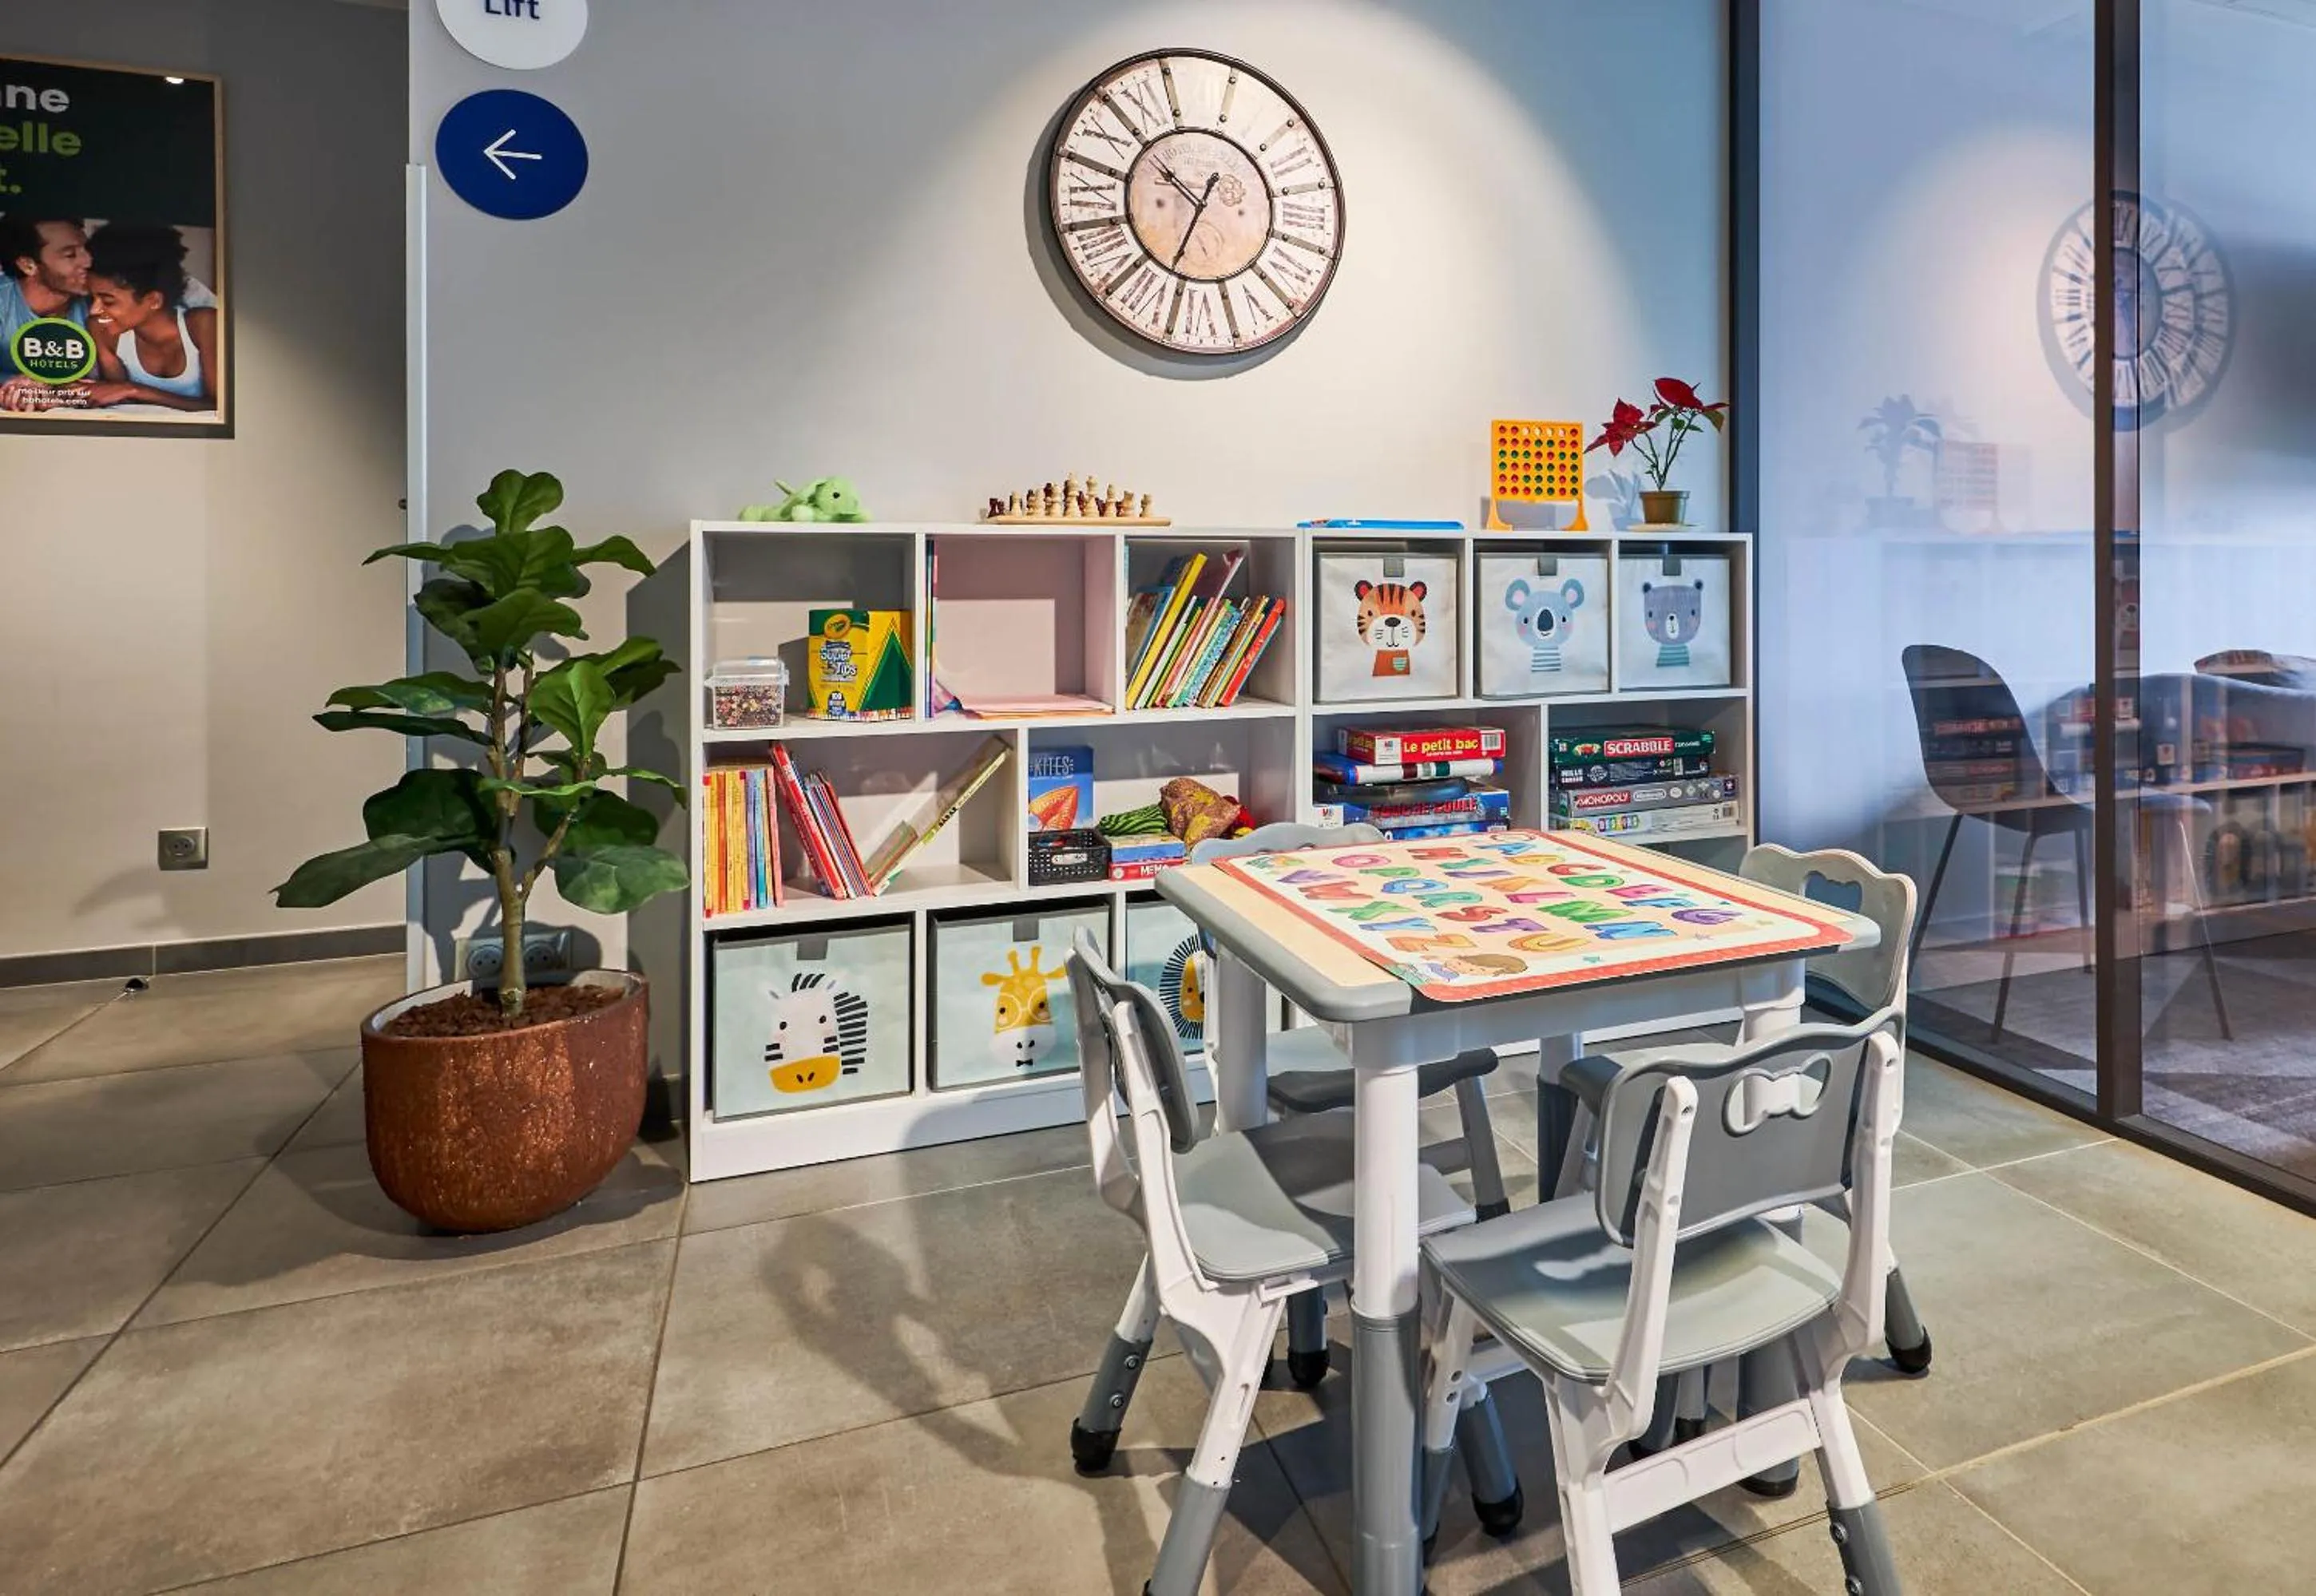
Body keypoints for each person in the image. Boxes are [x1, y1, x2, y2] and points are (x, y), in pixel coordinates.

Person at [77, 222, 220, 413]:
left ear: (153, 300)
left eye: (108, 301)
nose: (94, 310)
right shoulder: (102, 330)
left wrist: (133, 390)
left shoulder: (204, 325)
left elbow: (221, 408)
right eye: (92, 297)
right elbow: (119, 404)